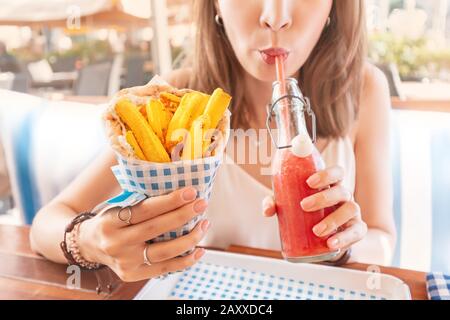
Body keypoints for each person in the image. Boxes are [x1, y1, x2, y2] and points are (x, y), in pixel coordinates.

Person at [30, 0, 396, 282]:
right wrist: (94, 241)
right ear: (216, 5)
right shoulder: (175, 100)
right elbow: (47, 225)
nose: (275, 16)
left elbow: (381, 236)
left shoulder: (363, 89)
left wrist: (345, 243)